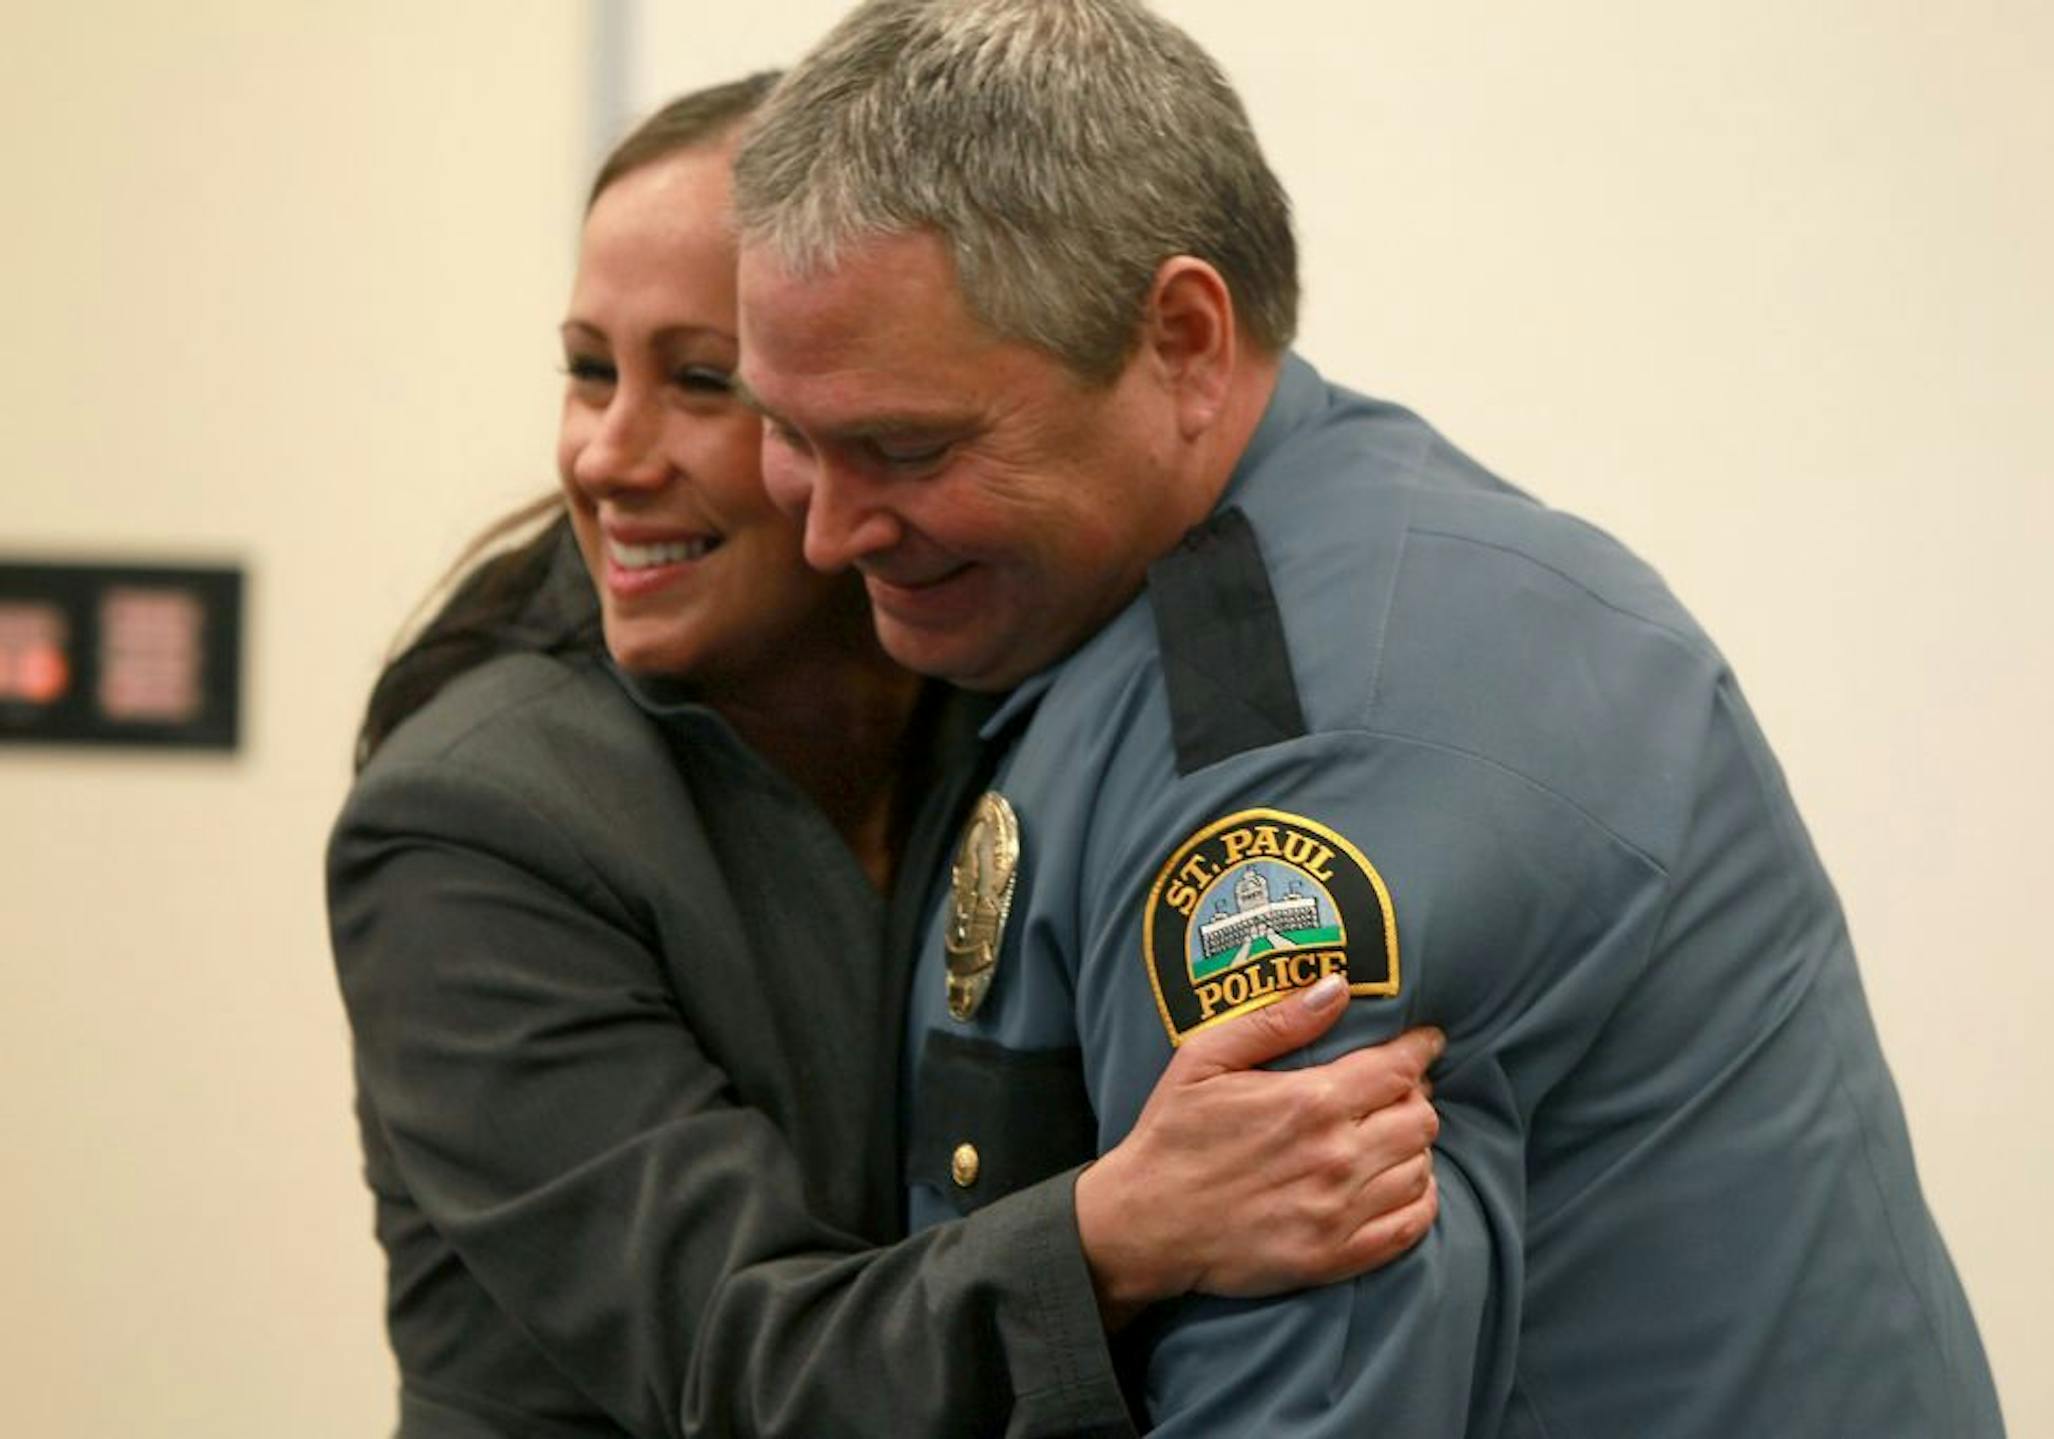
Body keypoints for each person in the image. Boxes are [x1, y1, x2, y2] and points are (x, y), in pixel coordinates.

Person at [728, 2, 2008, 1435]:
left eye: (906, 447)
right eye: (784, 428)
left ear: (1183, 342)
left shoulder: (1302, 751)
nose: (826, 532)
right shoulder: (1214, 592)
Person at [328, 74, 1446, 1439]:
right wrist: (1117, 1234)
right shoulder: (467, 827)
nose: (608, 456)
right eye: (587, 370)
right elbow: (743, 1366)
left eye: (703, 383)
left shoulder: (1002, 683)